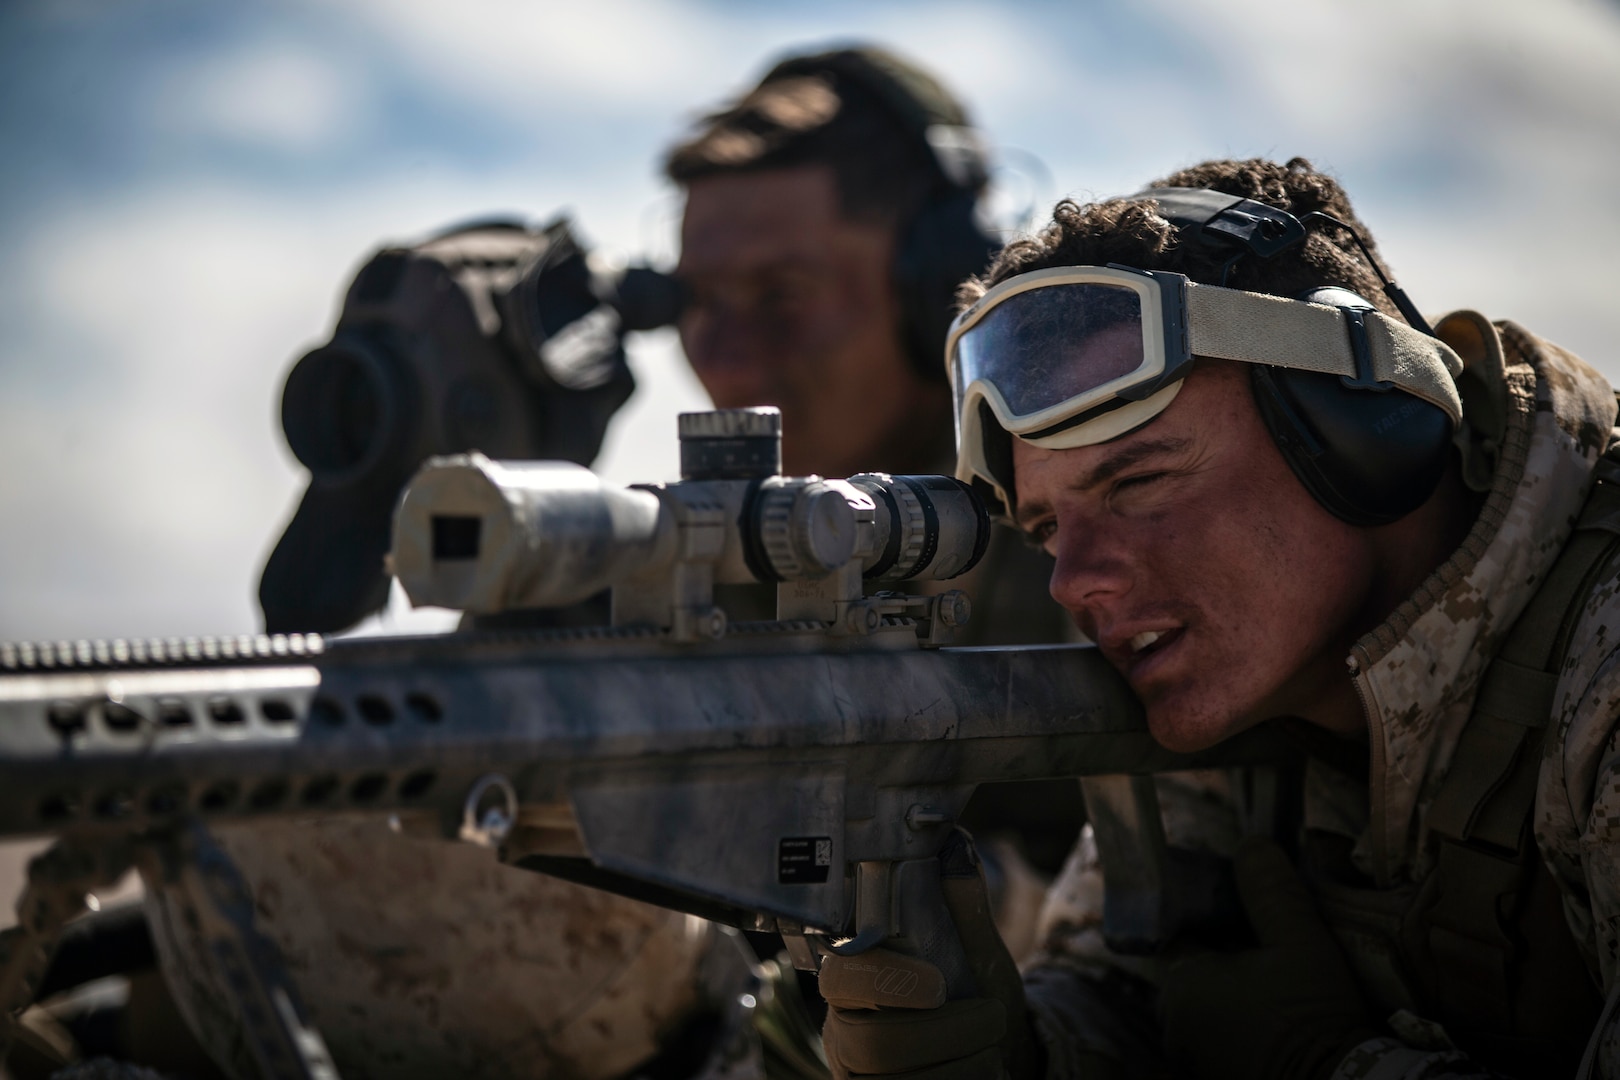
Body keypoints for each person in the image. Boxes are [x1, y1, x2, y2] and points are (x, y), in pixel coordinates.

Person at [127, 43, 1074, 1080]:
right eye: (699, 301)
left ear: (936, 285)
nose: (731, 356)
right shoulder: (684, 558)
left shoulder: (1076, 535)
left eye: (785, 293)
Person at [815, 156, 1620, 1080]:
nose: (1072, 583)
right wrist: (1021, 1055)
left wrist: (1320, 1065)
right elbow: (1123, 997)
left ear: (1359, 425)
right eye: (1044, 528)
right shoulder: (1223, 673)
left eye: (1141, 482)